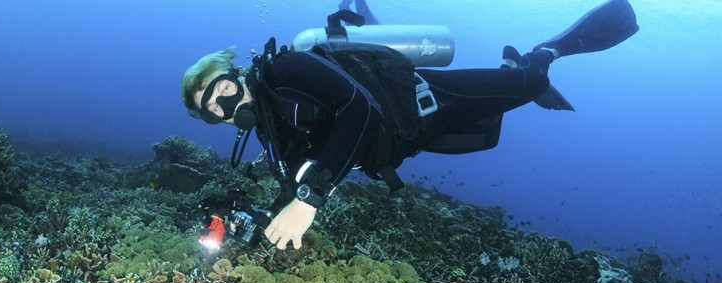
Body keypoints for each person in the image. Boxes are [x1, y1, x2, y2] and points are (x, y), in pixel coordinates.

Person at [181, 0, 638, 251]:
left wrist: (310, 199)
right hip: (411, 137)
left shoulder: (286, 72)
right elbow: (309, 168)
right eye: (212, 109)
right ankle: (509, 69)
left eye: (220, 88)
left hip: (426, 97)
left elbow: (359, 112)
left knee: (531, 82)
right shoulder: (272, 127)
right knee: (488, 136)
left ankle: (545, 52)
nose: (223, 104)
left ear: (235, 74)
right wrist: (264, 218)